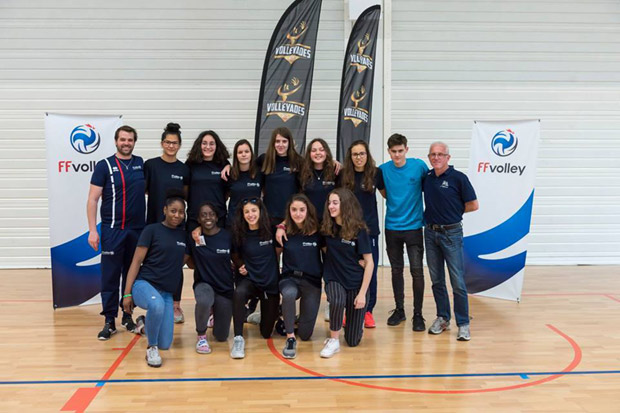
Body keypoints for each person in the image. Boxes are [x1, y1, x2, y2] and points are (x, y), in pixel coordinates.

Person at [87, 125, 145, 340]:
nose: (126, 143)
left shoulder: (141, 164)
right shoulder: (104, 166)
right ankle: (109, 320)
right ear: (116, 141)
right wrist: (93, 230)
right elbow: (92, 199)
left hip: (137, 231)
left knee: (131, 276)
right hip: (112, 231)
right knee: (110, 277)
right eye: (123, 139)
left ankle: (128, 315)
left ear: (134, 142)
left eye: (130, 140)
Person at [122, 190, 188, 367]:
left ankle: (143, 324)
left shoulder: (184, 236)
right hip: (144, 285)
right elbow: (136, 261)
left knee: (166, 343)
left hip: (166, 293)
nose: (177, 215)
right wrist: (127, 294)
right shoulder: (151, 230)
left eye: (181, 212)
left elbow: (184, 262)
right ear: (165, 210)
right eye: (173, 210)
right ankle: (151, 349)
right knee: (156, 305)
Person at [423, 141, 478, 341]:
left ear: (448, 157)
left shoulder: (459, 178)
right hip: (430, 234)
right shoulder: (427, 178)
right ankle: (443, 318)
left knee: (457, 282)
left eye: (440, 154)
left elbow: (473, 205)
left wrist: (453, 212)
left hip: (452, 234)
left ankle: (463, 323)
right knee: (437, 280)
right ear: (429, 158)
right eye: (433, 154)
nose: (436, 157)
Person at [379, 133, 427, 331]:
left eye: (400, 151)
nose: (397, 155)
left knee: (417, 271)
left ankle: (418, 314)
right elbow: (383, 192)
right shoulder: (382, 170)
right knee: (396, 270)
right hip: (392, 228)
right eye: (393, 152)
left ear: (406, 149)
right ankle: (400, 310)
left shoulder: (419, 166)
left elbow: (429, 187)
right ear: (388, 151)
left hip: (415, 228)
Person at [144, 122, 189, 324]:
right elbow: (145, 191)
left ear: (179, 145)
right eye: (168, 142)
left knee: (175, 264)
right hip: (155, 223)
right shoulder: (151, 165)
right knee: (153, 263)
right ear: (162, 143)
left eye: (175, 143)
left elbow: (186, 195)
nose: (171, 146)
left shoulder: (183, 168)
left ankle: (175, 305)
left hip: (177, 226)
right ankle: (155, 301)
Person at [319, 188, 374, 358]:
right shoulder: (327, 228)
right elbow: (325, 249)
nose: (331, 206)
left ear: (346, 205)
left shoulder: (359, 230)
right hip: (334, 278)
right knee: (337, 299)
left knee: (353, 341)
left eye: (335, 203)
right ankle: (333, 340)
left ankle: (355, 328)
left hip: (356, 283)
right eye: (329, 203)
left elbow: (370, 263)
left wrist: (363, 294)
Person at [340, 140, 384, 329]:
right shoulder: (342, 175)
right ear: (350, 157)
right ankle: (348, 310)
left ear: (367, 155)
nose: (359, 157)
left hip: (370, 230)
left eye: (362, 153)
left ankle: (367, 311)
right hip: (348, 230)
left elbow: (385, 194)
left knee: (370, 270)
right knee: (349, 270)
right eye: (355, 154)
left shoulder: (376, 173)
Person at [230, 198, 280, 359]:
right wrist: (240, 265)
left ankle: (264, 314)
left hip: (269, 283)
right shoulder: (239, 232)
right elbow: (235, 254)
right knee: (239, 293)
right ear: (242, 214)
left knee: (266, 333)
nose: (250, 215)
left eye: (253, 211)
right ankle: (238, 338)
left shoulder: (271, 229)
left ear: (260, 212)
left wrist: (282, 227)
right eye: (247, 212)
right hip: (250, 280)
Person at [275, 194, 323, 359]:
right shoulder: (284, 232)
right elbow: (274, 258)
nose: (298, 213)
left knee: (306, 334)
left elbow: (330, 255)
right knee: (288, 294)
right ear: (289, 211)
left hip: (312, 281)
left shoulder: (318, 231)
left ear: (308, 211)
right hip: (290, 279)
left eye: (302, 210)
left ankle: (290, 317)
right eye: (294, 210)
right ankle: (290, 338)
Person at [187, 203, 234, 354]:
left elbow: (237, 258)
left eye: (211, 214)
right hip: (204, 283)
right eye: (204, 215)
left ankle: (214, 314)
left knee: (221, 336)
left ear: (216, 216)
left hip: (224, 287)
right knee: (204, 300)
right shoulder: (195, 237)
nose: (208, 217)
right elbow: (189, 262)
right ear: (198, 219)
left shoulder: (227, 236)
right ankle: (201, 335)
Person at [256, 127, 303, 227]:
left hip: (290, 217)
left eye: (284, 141)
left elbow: (316, 165)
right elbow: (245, 166)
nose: (280, 145)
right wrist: (227, 166)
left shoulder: (298, 161)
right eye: (277, 141)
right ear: (273, 143)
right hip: (268, 216)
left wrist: (332, 162)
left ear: (290, 143)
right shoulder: (264, 159)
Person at [186, 130, 229, 230]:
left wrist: (229, 166)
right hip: (195, 219)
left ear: (217, 146)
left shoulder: (223, 164)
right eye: (204, 143)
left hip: (218, 218)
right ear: (199, 145)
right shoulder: (191, 164)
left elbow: (227, 192)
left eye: (212, 144)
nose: (208, 147)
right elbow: (185, 189)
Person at [226, 139, 263, 228]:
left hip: (254, 222)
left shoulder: (260, 174)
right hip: (234, 223)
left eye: (247, 151)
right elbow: (225, 196)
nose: (243, 154)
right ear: (236, 155)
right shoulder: (229, 174)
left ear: (251, 154)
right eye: (240, 152)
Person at [299, 138, 338, 219]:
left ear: (326, 152)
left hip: (330, 221)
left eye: (321, 150)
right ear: (309, 154)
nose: (318, 153)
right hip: (309, 221)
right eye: (313, 150)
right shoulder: (302, 172)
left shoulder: (335, 171)